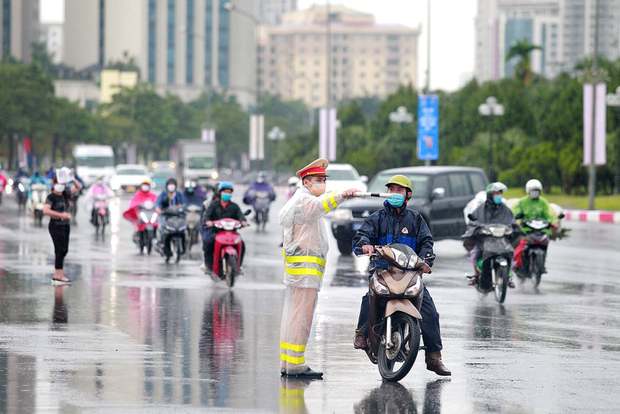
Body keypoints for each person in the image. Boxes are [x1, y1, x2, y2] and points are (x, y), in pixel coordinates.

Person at [351, 174, 451, 377]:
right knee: (368, 298)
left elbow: (427, 242)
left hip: (409, 272)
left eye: (399, 190)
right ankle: (362, 333)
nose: (394, 193)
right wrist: (364, 244)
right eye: (391, 190)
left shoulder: (416, 219)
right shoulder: (376, 218)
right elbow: (361, 236)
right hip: (382, 270)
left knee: (430, 312)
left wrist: (426, 259)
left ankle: (434, 357)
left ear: (408, 194)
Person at [279, 158, 357, 379]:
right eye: (318, 180)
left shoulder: (298, 200)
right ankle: (295, 365)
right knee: (301, 319)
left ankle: (288, 362)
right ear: (306, 182)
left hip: (299, 272)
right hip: (305, 273)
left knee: (293, 317)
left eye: (324, 180)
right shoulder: (304, 201)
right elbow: (320, 206)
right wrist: (343, 195)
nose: (322, 184)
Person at [467, 182, 516, 287]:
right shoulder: (481, 208)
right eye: (496, 193)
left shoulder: (505, 209)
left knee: (510, 252)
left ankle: (509, 276)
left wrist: (513, 227)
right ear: (490, 194)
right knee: (476, 253)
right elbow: (473, 221)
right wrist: (478, 227)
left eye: (500, 193)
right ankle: (476, 275)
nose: (499, 195)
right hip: (485, 239)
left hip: (501, 239)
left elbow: (511, 220)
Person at [42, 170, 82, 284]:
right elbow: (46, 210)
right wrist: (61, 215)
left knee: (64, 250)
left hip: (65, 226)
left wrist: (72, 178)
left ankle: (58, 274)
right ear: (54, 184)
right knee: (59, 250)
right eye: (60, 183)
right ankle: (58, 276)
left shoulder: (66, 194)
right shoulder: (51, 197)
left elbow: (78, 187)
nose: (63, 186)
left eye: (64, 184)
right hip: (55, 225)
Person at [200, 181, 248, 273]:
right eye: (225, 192)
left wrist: (243, 221)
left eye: (229, 192)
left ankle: (239, 266)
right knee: (208, 243)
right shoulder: (213, 205)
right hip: (216, 232)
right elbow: (206, 216)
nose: (227, 194)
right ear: (220, 192)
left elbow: (240, 215)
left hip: (232, 232)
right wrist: (208, 221)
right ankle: (208, 266)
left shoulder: (234, 206)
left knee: (242, 244)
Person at [511, 179, 558, 272]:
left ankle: (542, 263)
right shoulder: (522, 202)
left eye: (537, 191)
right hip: (526, 230)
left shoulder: (543, 202)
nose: (535, 193)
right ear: (528, 191)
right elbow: (515, 212)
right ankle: (517, 263)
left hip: (541, 229)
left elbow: (550, 213)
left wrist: (554, 221)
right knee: (520, 244)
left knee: (546, 241)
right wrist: (518, 221)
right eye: (533, 191)